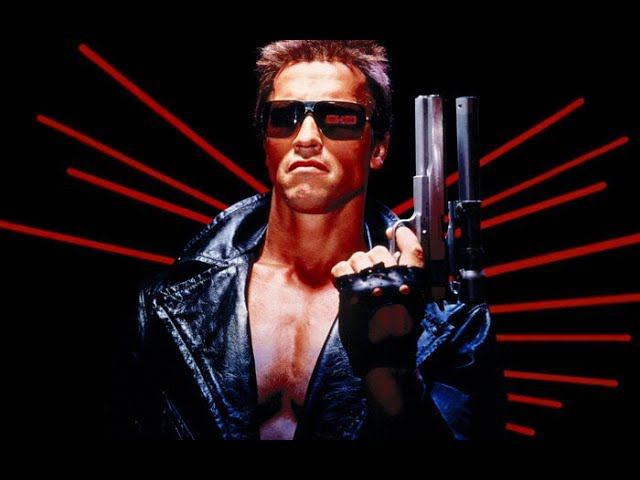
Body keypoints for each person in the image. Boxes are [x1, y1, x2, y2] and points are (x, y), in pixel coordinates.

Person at [133, 40, 502, 440]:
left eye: (338, 118)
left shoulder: (453, 320)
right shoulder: (169, 300)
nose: (306, 138)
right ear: (266, 142)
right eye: (284, 117)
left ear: (378, 147)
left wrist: (392, 378)